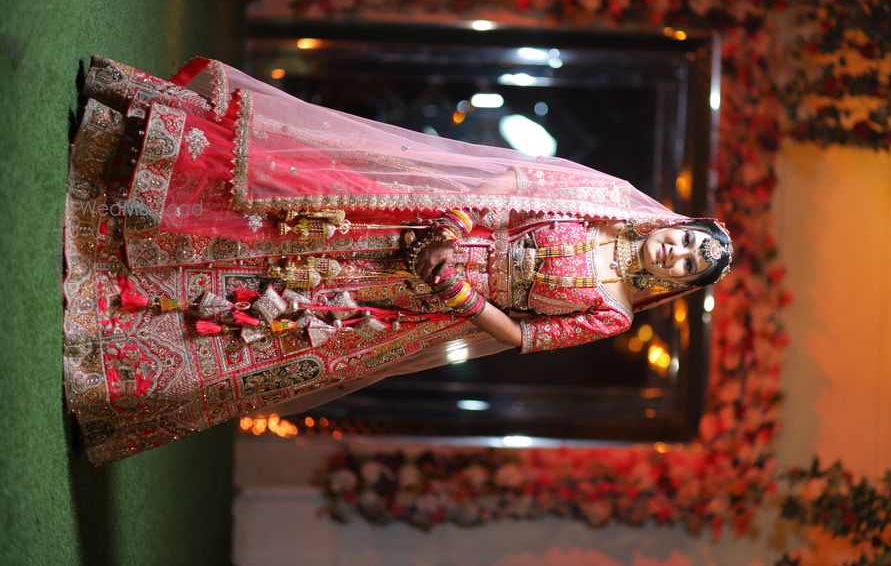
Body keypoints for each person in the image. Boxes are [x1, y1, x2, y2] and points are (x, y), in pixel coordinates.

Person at [64, 56, 733, 465]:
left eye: (689, 264)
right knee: (284, 219)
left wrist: (457, 295)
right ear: (676, 225)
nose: (677, 253)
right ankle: (122, 199)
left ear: (680, 282)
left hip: (422, 305)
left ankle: (116, 334)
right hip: (419, 223)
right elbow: (517, 184)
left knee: (287, 322)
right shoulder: (607, 204)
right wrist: (452, 228)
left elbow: (522, 335)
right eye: (688, 240)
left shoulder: (614, 313)